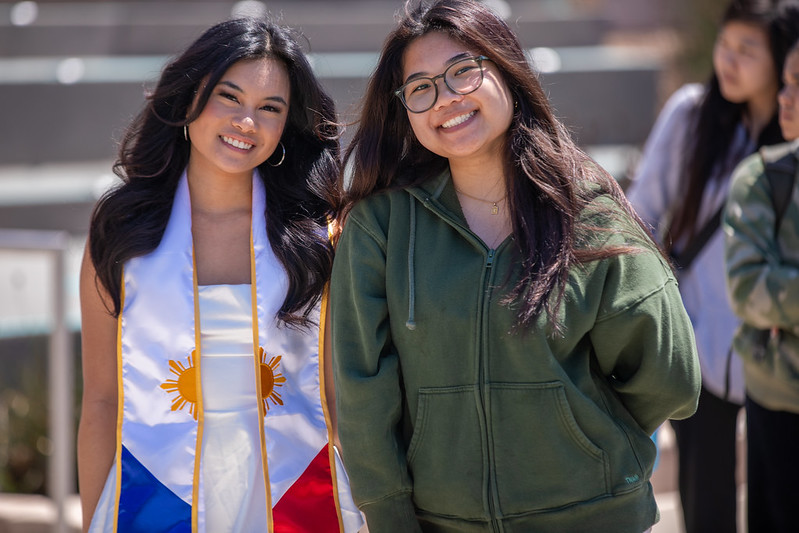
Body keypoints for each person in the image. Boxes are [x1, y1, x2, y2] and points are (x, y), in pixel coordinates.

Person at [329, 1, 701, 531]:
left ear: (506, 69)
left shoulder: (589, 213)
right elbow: (362, 390)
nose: (446, 99)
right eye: (421, 88)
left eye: (463, 71)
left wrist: (583, 441)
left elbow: (669, 376)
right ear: (405, 111)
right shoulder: (380, 228)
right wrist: (388, 513)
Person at [77, 17, 362, 532]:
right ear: (190, 98)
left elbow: (338, 398)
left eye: (269, 108)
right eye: (229, 97)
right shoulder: (122, 231)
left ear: (285, 127)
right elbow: (101, 400)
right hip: (157, 497)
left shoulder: (318, 238)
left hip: (291, 491)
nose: (246, 122)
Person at [624, 1, 795, 530]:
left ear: (781, 58)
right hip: (696, 348)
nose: (729, 60)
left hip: (777, 359)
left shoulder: (789, 146)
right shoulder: (692, 115)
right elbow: (641, 215)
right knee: (707, 512)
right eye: (726, 44)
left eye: (749, 49)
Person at [724, 5, 799, 531]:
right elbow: (748, 288)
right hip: (779, 402)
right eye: (787, 81)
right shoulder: (762, 177)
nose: (785, 97)